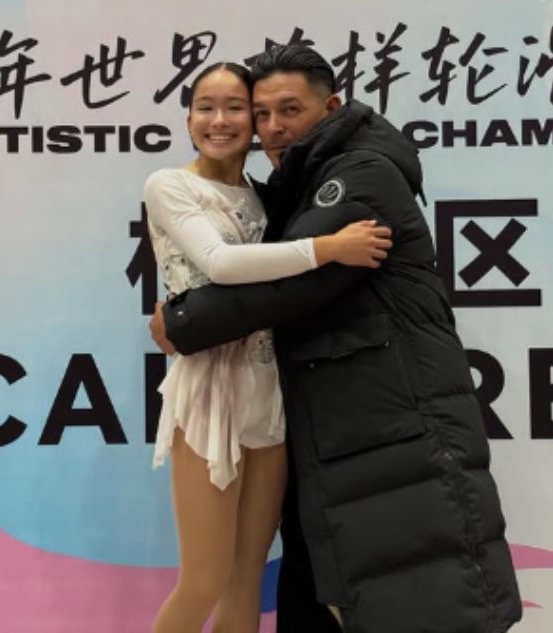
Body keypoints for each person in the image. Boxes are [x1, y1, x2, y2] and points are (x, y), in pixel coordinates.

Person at [149, 45, 522, 632]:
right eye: (262, 113)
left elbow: (293, 285)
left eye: (289, 110)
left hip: (388, 419)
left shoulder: (360, 173)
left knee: (415, 591)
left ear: (331, 107)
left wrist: (182, 323)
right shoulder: (287, 184)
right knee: (257, 582)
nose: (273, 127)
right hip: (319, 420)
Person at [145, 61, 391, 633]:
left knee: (245, 579)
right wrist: (328, 248)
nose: (220, 120)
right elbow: (221, 265)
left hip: (270, 390)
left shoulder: (266, 198)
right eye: (206, 107)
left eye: (237, 109)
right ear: (188, 118)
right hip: (208, 392)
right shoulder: (170, 185)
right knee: (204, 580)